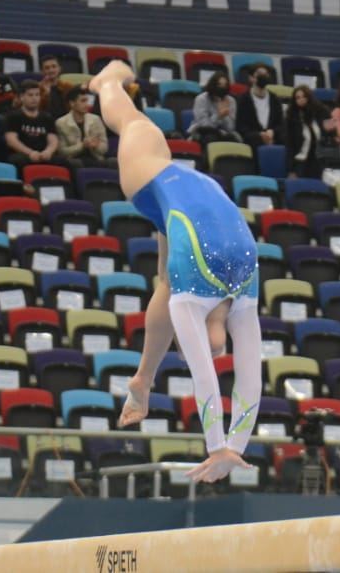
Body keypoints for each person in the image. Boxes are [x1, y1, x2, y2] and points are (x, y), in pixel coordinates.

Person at [91, 61, 260, 483]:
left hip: (159, 189)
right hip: (175, 191)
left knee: (137, 126)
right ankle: (105, 81)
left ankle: (143, 380)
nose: (210, 354)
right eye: (193, 349)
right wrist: (224, 447)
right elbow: (236, 377)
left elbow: (221, 375)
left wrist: (226, 447)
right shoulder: (240, 299)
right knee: (133, 122)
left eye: (189, 349)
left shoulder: (208, 296)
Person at [2, 80, 65, 169]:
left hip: (43, 154)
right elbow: (12, 141)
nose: (34, 98)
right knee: (18, 161)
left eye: (37, 95)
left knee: (64, 162)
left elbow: (53, 140)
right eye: (30, 95)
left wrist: (48, 152)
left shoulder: (47, 117)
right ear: (21, 97)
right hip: (22, 154)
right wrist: (30, 152)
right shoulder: (13, 116)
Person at [285, 85, 336, 178]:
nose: (301, 99)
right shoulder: (291, 119)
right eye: (298, 97)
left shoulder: (322, 111)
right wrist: (291, 169)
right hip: (301, 160)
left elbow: (333, 134)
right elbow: (290, 145)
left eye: (304, 96)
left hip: (322, 158)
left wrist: (329, 130)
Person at [55, 85, 110, 168]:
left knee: (114, 162)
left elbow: (104, 148)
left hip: (95, 158)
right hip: (74, 159)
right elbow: (62, 152)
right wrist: (82, 146)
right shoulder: (61, 123)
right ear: (72, 103)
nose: (86, 104)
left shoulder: (96, 119)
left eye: (87, 101)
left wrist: (96, 146)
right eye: (83, 101)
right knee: (75, 164)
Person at [235, 64, 284, 150]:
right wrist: (259, 135)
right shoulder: (243, 100)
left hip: (273, 137)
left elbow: (280, 123)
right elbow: (241, 126)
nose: (263, 77)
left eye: (265, 75)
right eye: (259, 74)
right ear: (251, 78)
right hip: (253, 139)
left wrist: (273, 132)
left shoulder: (275, 99)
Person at [189, 72, 240, 146]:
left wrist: (225, 116)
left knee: (234, 139)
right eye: (219, 85)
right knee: (211, 138)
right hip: (202, 133)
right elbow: (203, 125)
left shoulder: (231, 101)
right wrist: (218, 116)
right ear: (213, 85)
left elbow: (230, 128)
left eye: (225, 85)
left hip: (223, 133)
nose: (222, 88)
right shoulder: (201, 99)